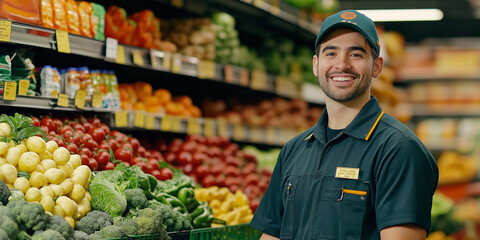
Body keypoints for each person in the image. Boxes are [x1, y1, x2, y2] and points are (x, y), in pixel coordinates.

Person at [250, 9, 439, 240]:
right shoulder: (294, 150)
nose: (342, 64)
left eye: (356, 54)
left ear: (377, 66)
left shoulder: (399, 149)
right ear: (316, 65)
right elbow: (271, 235)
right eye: (331, 53)